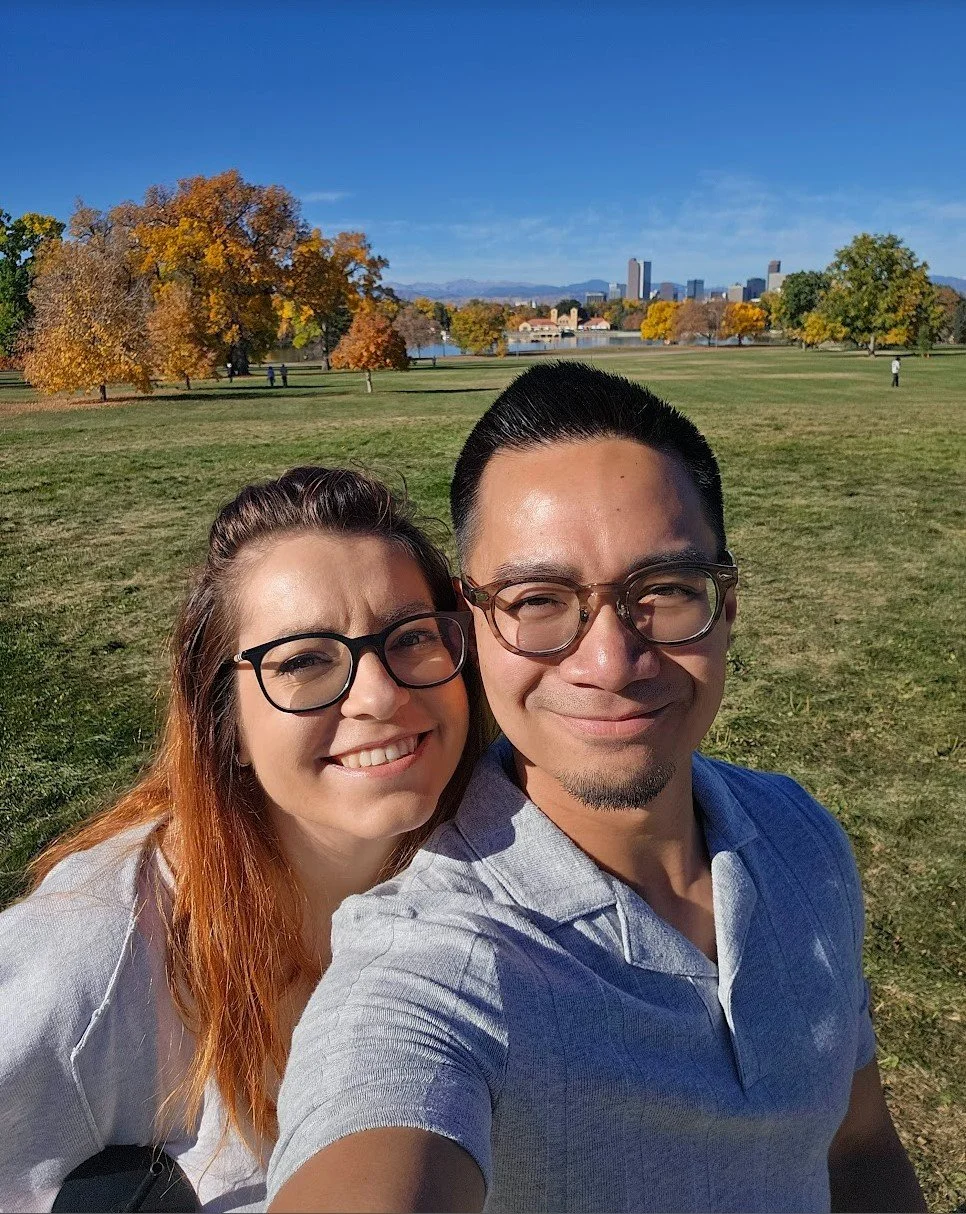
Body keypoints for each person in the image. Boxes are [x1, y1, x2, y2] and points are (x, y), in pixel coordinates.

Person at [268, 363, 925, 1213]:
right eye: (538, 599)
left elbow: (858, 1145)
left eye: (666, 590)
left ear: (726, 608)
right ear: (472, 625)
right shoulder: (435, 960)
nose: (611, 663)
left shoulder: (801, 835)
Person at [0, 465, 487, 1212]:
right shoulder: (90, 965)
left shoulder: (503, 859)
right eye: (304, 660)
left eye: (412, 636)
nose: (381, 695)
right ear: (226, 726)